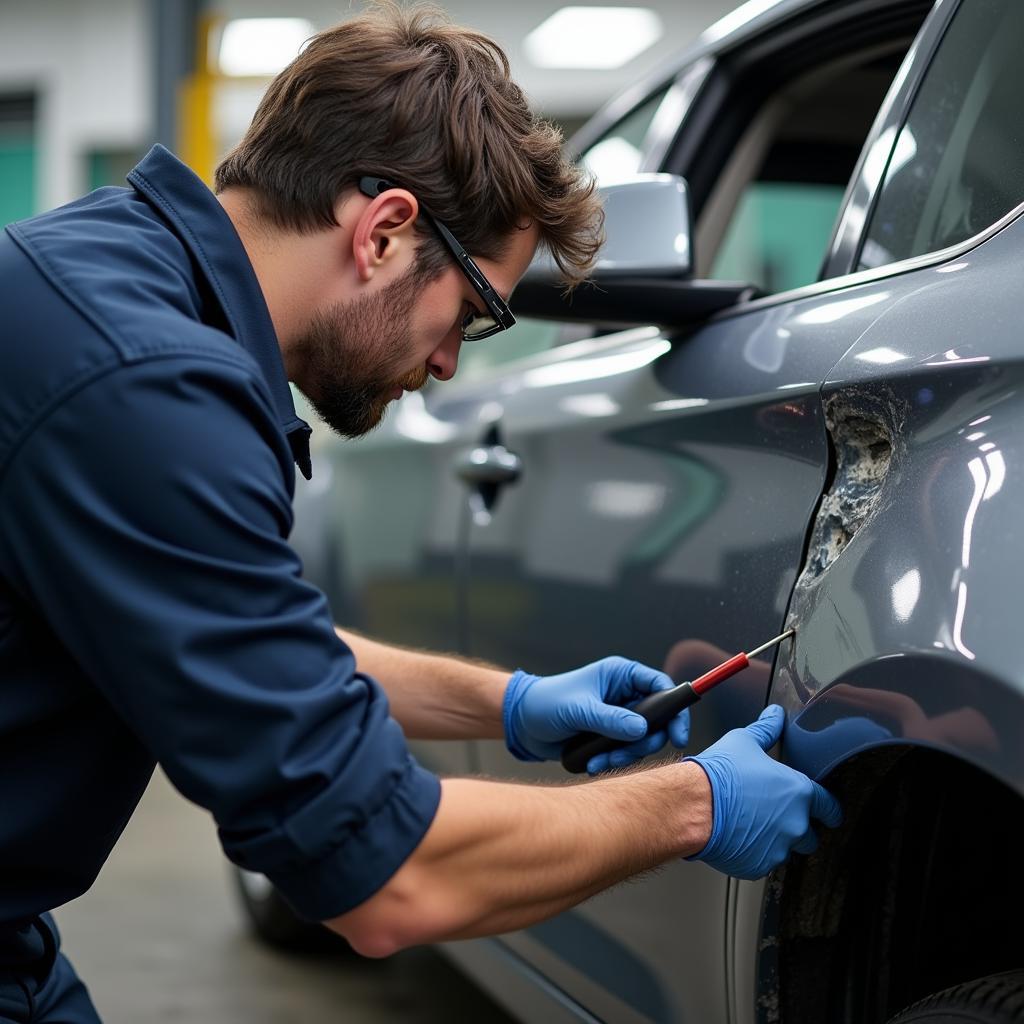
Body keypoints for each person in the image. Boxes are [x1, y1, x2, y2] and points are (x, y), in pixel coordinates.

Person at [0, 3, 841, 1018]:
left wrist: (512, 703)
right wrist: (693, 802)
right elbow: (387, 880)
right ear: (387, 231)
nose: (447, 365)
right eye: (476, 314)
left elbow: (255, 647)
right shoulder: (151, 392)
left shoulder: (107, 276)